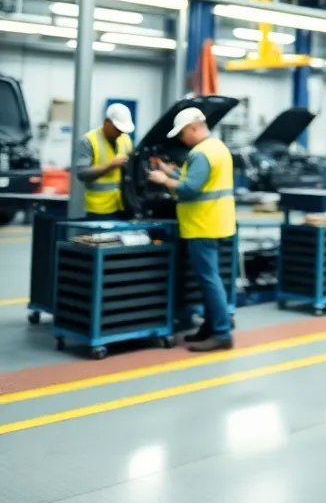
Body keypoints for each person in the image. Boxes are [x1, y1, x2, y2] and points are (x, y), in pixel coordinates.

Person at [147, 107, 235, 352]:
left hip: (201, 224)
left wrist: (164, 181)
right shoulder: (216, 148)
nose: (181, 139)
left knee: (209, 279)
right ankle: (210, 327)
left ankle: (221, 333)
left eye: (183, 133)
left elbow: (188, 189)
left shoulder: (200, 154)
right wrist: (169, 170)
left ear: (193, 127)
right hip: (215, 222)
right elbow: (192, 178)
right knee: (209, 278)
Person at [74, 103, 135, 219]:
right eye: (117, 129)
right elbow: (82, 174)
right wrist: (111, 165)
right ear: (107, 122)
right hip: (99, 209)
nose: (119, 133)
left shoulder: (125, 139)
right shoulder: (89, 140)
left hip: (122, 205)